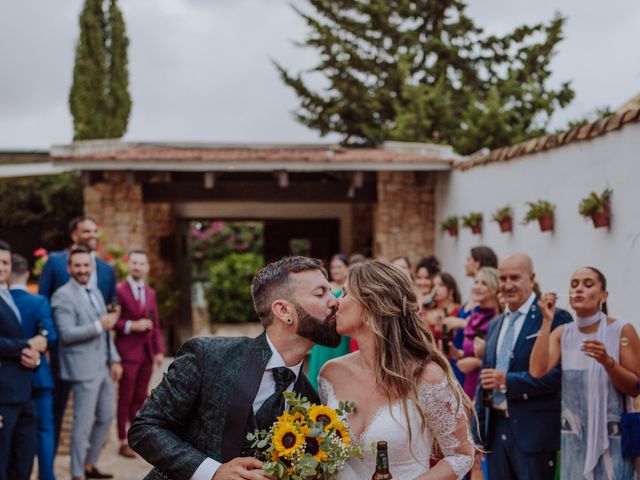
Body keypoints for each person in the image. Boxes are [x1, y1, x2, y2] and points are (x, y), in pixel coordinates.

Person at [128, 256, 341, 480]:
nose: (334, 301)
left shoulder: (312, 402)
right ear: (283, 311)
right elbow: (145, 427)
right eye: (320, 293)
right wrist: (211, 472)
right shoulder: (207, 355)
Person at [319, 260, 474, 479]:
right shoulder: (330, 374)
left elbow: (461, 455)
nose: (336, 302)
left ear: (371, 304)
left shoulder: (425, 376)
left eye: (345, 294)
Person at [530, 267, 640, 479]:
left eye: (588, 284)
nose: (579, 289)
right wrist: (546, 321)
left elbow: (635, 388)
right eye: (574, 284)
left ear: (603, 295)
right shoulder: (563, 332)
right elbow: (537, 370)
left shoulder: (621, 330)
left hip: (613, 440)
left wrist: (608, 363)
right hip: (574, 439)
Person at [476, 252, 572, 480]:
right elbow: (485, 382)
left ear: (532, 278)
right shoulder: (495, 324)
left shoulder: (554, 317)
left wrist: (507, 381)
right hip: (496, 430)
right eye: (503, 278)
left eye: (515, 278)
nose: (508, 285)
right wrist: (478, 434)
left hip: (534, 434)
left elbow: (557, 376)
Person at [38, 216, 117, 448]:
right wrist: (48, 341)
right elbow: (43, 303)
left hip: (96, 357)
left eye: (95, 231)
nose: (92, 235)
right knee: (57, 408)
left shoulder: (106, 269)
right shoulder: (55, 262)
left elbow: (109, 306)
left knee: (99, 414)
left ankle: (85, 466)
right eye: (87, 231)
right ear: (74, 235)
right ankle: (48, 468)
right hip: (61, 350)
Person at [51, 246, 122, 480]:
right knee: (82, 424)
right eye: (77, 265)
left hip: (103, 365)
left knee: (106, 416)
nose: (82, 269)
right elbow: (66, 334)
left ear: (92, 267)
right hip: (82, 369)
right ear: (69, 268)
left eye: (86, 265)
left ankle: (90, 465)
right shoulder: (62, 295)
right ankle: (77, 472)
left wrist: (114, 359)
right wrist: (99, 325)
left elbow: (106, 331)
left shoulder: (96, 292)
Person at [9, 254, 58, 480]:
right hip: (39, 377)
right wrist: (37, 347)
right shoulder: (38, 302)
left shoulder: (5, 301)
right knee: (45, 431)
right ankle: (47, 476)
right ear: (27, 274)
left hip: (9, 378)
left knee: (13, 436)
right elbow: (52, 336)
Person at [113, 250, 164, 458]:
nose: (137, 266)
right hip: (126, 352)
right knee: (124, 397)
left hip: (146, 354)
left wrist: (159, 350)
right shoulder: (118, 290)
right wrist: (132, 325)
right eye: (134, 262)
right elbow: (113, 322)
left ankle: (134, 436)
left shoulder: (150, 293)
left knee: (140, 396)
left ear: (147, 267)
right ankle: (122, 440)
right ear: (128, 265)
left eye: (141, 263)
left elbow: (156, 324)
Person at [0, 241, 42, 480]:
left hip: (24, 393)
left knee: (23, 463)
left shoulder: (9, 296)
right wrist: (26, 346)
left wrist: (33, 358)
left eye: (5, 262)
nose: (2, 267)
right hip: (3, 397)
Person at [448, 267, 500, 399]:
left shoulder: (497, 318)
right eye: (476, 282)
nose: (477, 287)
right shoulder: (474, 315)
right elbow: (472, 352)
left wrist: (477, 363)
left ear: (494, 288)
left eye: (484, 283)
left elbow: (500, 358)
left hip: (486, 386)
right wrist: (458, 354)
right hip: (468, 381)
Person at [307, 253, 351, 388]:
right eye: (333, 267)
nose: (335, 270)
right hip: (323, 334)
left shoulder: (349, 289)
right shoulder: (325, 287)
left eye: (339, 267)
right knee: (319, 369)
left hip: (342, 336)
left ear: (347, 268)